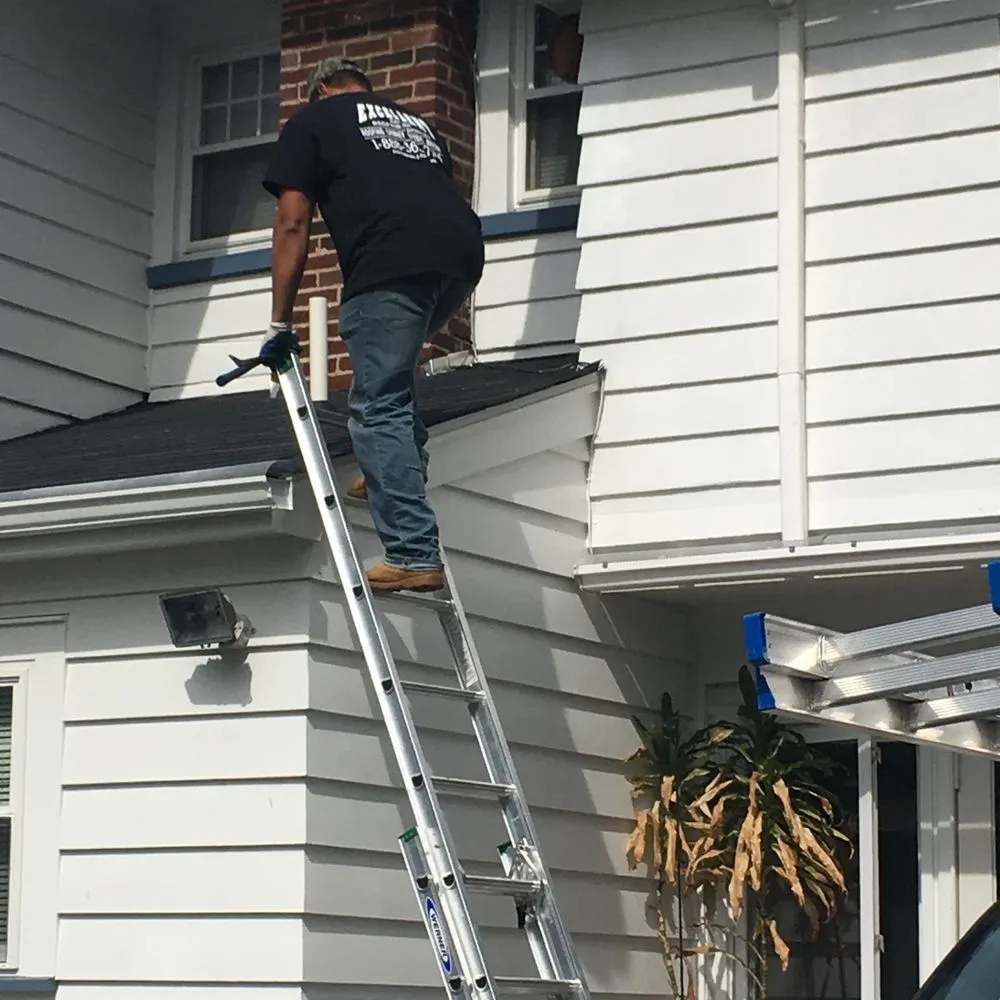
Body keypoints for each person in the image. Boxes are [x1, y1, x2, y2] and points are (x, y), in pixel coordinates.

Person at [259, 58, 485, 595]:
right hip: (459, 258)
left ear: (320, 91)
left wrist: (278, 321)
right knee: (392, 374)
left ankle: (411, 551)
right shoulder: (418, 127)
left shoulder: (313, 122)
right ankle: (399, 467)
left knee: (377, 405)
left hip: (391, 258)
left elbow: (292, 221)